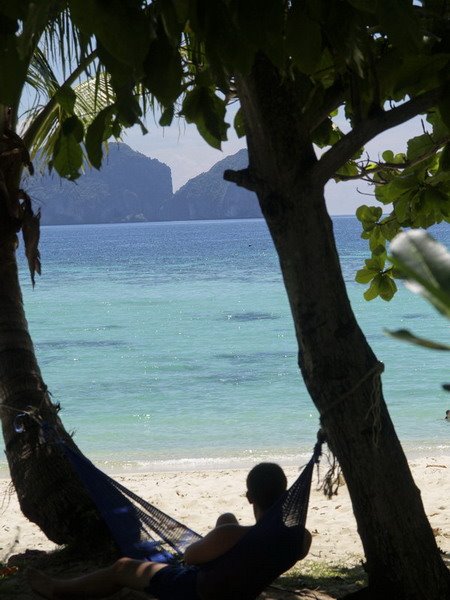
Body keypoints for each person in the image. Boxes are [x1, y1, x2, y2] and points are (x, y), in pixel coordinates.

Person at [28, 463, 311, 600]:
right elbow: (255, 547)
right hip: (242, 584)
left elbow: (190, 557)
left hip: (197, 590)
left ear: (250, 497)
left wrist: (220, 542)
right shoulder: (299, 540)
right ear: (285, 495)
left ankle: (58, 590)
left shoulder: (234, 537)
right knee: (226, 518)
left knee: (122, 567)